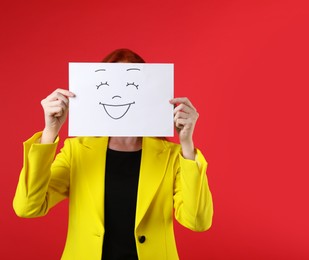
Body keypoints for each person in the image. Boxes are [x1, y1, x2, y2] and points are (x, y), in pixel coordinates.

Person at [13, 49, 213, 260]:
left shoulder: (172, 156)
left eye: (132, 86)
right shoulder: (77, 151)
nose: (118, 96)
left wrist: (187, 144)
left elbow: (198, 221)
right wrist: (50, 132)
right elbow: (28, 207)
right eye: (107, 86)